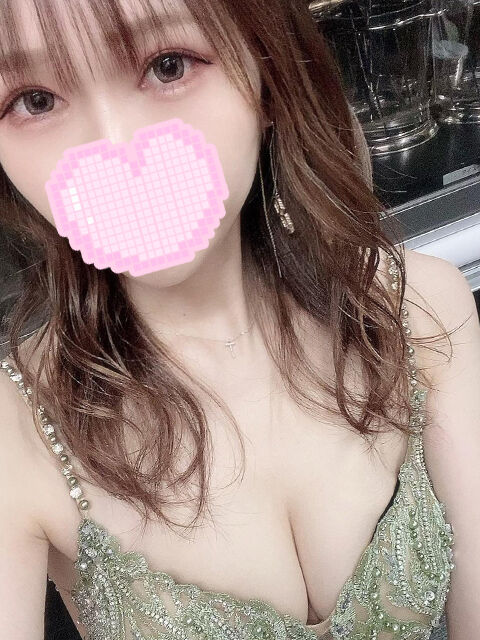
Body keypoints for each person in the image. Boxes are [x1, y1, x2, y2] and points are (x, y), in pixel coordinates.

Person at [0, 1, 479, 639]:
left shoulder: (422, 308)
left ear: (267, 72)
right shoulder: (14, 429)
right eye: (34, 101)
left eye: (168, 66)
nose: (114, 148)